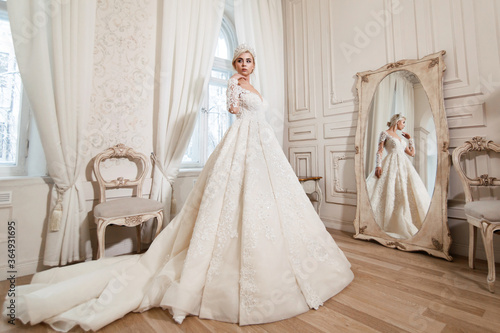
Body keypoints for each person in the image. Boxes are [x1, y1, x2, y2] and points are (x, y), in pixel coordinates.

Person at [3, 44, 353, 331]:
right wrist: (232, 93)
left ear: (254, 64)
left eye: (248, 61)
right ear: (235, 64)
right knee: (232, 199)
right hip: (242, 142)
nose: (244, 65)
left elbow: (257, 114)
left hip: (264, 147)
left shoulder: (254, 87)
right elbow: (233, 110)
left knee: (273, 202)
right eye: (240, 61)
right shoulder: (234, 83)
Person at [366, 113, 431, 239]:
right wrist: (378, 165)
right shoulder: (385, 133)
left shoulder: (401, 139)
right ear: (397, 122)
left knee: (405, 191)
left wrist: (410, 139)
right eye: (403, 122)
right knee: (390, 189)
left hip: (404, 165)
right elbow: (379, 150)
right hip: (390, 163)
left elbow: (412, 154)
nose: (404, 125)